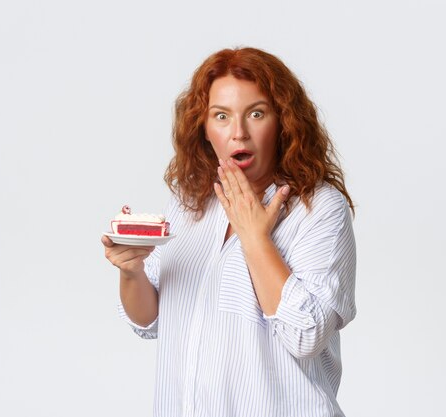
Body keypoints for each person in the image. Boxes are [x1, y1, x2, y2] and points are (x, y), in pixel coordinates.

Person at [102, 47, 357, 417]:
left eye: (256, 113)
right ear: (204, 129)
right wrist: (131, 270)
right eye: (221, 116)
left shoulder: (318, 208)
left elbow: (306, 335)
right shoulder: (190, 203)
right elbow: (150, 319)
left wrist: (255, 238)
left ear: (283, 121)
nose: (239, 133)